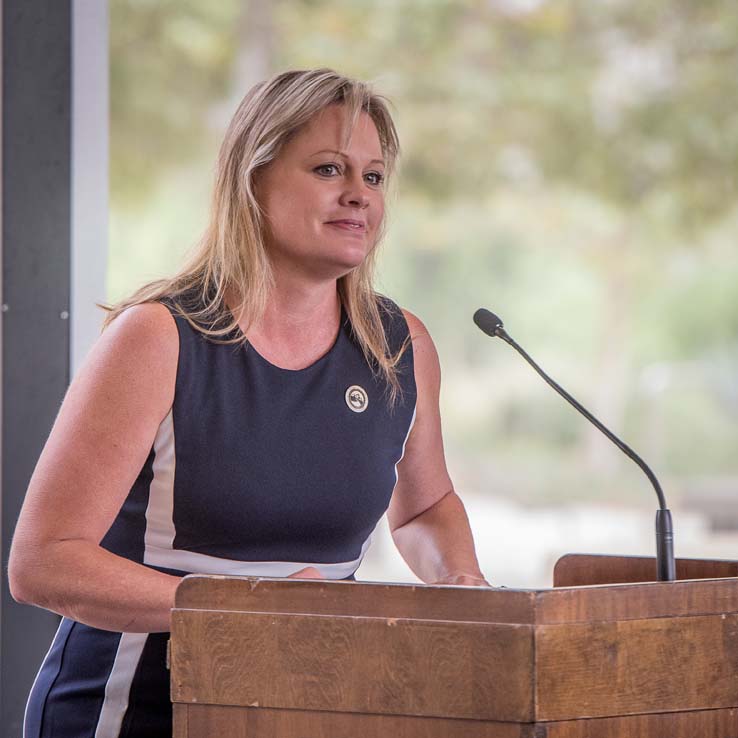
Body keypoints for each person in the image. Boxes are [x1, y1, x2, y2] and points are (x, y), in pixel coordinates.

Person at [9, 67, 489, 737]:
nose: (359, 196)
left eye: (373, 177)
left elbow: (426, 508)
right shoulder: (156, 338)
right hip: (134, 713)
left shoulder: (400, 345)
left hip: (310, 708)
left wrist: (460, 582)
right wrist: (239, 606)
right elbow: (43, 562)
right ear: (253, 179)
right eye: (329, 169)